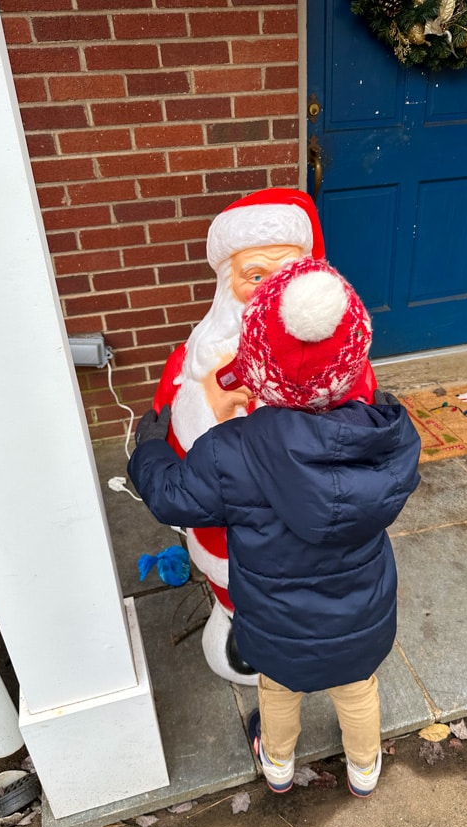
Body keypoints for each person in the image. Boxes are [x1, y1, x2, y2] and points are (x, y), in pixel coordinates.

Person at [129, 257, 420, 797]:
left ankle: (279, 766)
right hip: (361, 617)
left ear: (257, 367)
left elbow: (173, 497)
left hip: (274, 621)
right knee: (358, 690)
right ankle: (363, 768)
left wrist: (150, 446)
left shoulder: (231, 453)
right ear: (355, 362)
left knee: (278, 691)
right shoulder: (387, 438)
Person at [151, 189, 376, 684]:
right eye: (256, 276)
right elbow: (177, 453)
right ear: (226, 283)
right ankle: (240, 623)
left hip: (312, 527)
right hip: (232, 528)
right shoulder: (200, 359)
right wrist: (206, 405)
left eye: (285, 275)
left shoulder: (342, 369)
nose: (271, 292)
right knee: (239, 582)